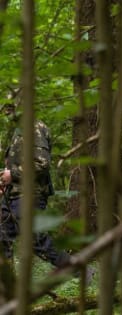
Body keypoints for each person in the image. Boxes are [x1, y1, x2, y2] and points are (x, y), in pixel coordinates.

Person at [0, 100, 94, 280]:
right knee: (1, 236)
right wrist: (6, 180)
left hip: (29, 195)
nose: (8, 113)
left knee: (36, 240)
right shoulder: (18, 132)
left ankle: (81, 269)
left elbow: (41, 164)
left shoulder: (35, 128)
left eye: (11, 109)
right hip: (13, 195)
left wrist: (12, 175)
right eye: (7, 110)